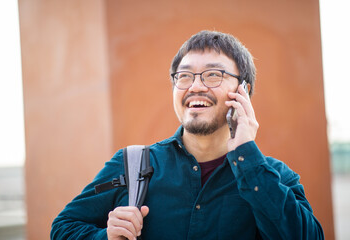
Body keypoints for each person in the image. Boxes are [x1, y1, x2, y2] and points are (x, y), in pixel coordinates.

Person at [51, 30, 324, 239]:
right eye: (184, 76)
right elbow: (62, 228)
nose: (195, 86)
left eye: (213, 75)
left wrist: (247, 157)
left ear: (243, 90)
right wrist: (105, 236)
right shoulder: (132, 164)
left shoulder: (275, 178)